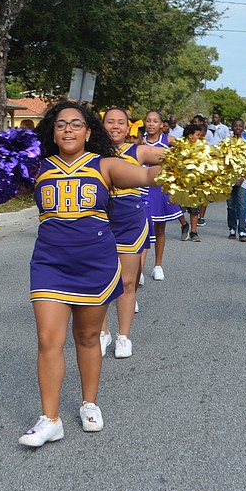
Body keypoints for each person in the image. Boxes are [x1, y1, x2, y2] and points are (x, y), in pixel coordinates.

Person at [18, 101, 162, 447]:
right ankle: (50, 419)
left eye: (76, 124)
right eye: (61, 124)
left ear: (88, 132)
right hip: (49, 263)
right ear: (52, 132)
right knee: (48, 340)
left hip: (95, 262)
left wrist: (189, 166)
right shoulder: (36, 168)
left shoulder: (106, 165)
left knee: (87, 338)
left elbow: (146, 175)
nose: (68, 129)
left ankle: (89, 403)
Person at [100, 107, 164, 357]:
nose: (115, 126)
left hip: (130, 221)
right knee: (102, 280)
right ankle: (102, 332)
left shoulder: (138, 151)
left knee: (128, 281)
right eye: (109, 122)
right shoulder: (92, 155)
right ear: (101, 127)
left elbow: (172, 157)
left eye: (120, 123)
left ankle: (123, 336)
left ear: (128, 128)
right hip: (100, 221)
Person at [140, 110, 188, 280]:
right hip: (142, 188)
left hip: (161, 190)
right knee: (142, 230)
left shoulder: (168, 140)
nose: (151, 124)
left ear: (161, 124)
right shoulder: (139, 140)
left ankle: (157, 266)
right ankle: (139, 270)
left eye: (155, 121)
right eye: (148, 120)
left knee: (160, 229)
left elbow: (186, 150)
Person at [226, 118, 246, 241]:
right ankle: (232, 228)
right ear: (232, 127)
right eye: (236, 126)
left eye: (240, 126)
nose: (238, 128)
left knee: (241, 204)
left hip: (242, 179)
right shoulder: (226, 143)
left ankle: (242, 231)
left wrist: (243, 178)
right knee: (230, 205)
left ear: (243, 128)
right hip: (228, 179)